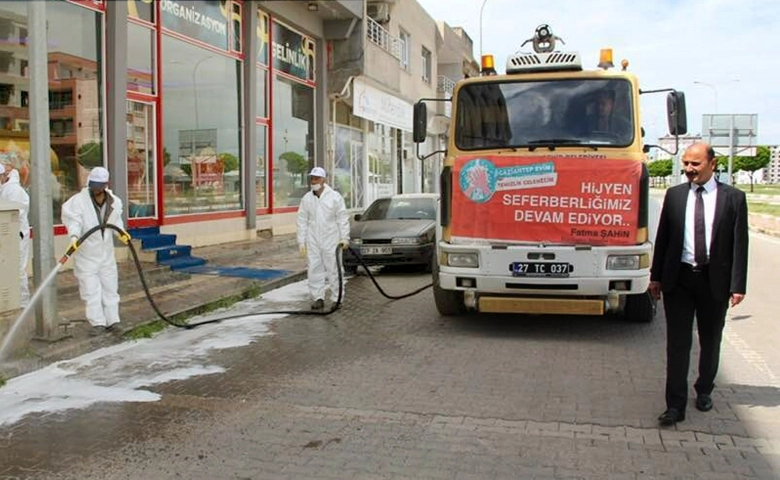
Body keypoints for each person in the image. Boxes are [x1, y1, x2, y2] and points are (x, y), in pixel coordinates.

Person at [649, 142, 749, 426]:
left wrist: (738, 284)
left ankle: (704, 388)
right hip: (679, 279)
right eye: (686, 163)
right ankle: (675, 406)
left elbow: (740, 245)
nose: (689, 169)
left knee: (710, 340)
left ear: (712, 164)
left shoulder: (733, 198)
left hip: (713, 282)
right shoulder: (675, 196)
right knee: (677, 345)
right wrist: (656, 277)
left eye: (695, 164)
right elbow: (665, 239)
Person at [61, 166, 125, 336]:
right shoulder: (78, 202)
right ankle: (97, 323)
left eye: (99, 185)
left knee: (110, 288)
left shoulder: (115, 202)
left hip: (106, 255)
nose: (96, 188)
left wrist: (122, 232)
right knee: (91, 291)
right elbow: (74, 220)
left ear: (106, 184)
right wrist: (74, 236)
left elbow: (116, 221)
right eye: (93, 184)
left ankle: (113, 320)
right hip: (86, 255)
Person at [296, 166, 350, 310]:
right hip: (313, 239)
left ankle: (337, 298)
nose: (313, 181)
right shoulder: (307, 199)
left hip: (331, 238)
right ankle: (318, 298)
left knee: (334, 269)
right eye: (312, 178)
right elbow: (302, 220)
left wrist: (345, 237)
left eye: (316, 178)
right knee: (314, 268)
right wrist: (301, 241)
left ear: (323, 179)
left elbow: (342, 218)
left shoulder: (334, 197)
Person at [0, 164, 31, 307]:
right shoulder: (6, 189)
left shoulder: (13, 190)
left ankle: (22, 302)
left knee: (17, 268)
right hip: (10, 236)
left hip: (17, 236)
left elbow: (14, 215)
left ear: (5, 175)